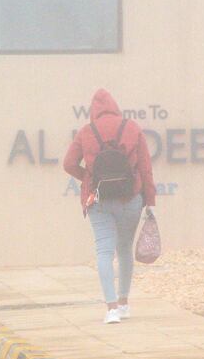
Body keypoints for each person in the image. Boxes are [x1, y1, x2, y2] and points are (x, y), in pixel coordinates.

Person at [63, 89, 156, 324]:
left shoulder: (86, 132)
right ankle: (124, 303)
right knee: (124, 249)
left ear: (93, 110)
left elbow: (68, 163)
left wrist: (88, 177)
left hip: (99, 200)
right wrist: (150, 200)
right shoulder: (132, 128)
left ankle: (111, 308)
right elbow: (145, 168)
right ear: (115, 106)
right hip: (130, 198)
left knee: (104, 251)